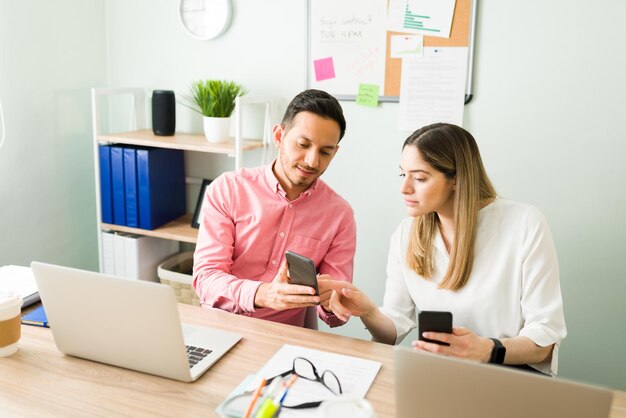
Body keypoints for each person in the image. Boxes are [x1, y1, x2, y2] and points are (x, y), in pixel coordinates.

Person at [328, 123, 567, 375]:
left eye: (419, 178)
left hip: (508, 377)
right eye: (403, 175)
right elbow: (393, 330)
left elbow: (545, 341)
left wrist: (486, 350)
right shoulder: (406, 234)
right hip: (441, 375)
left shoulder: (524, 223)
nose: (404, 188)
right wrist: (368, 311)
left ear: (456, 178)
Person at [193, 89, 356, 328]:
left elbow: (334, 313)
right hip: (221, 325)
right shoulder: (227, 189)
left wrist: (333, 303)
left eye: (325, 152)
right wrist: (263, 294)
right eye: (303, 144)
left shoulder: (339, 215)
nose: (312, 161)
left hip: (286, 338)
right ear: (279, 135)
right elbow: (206, 279)